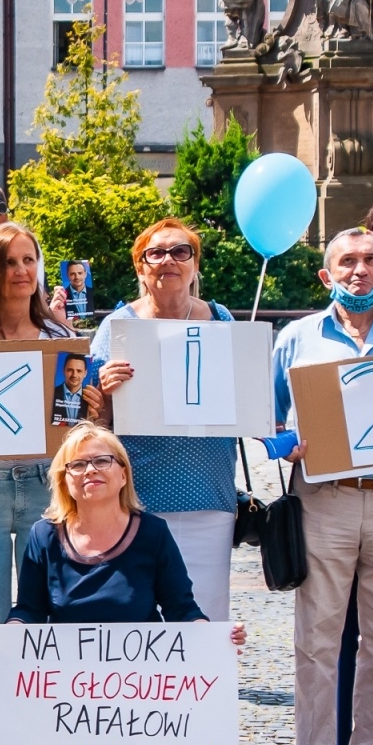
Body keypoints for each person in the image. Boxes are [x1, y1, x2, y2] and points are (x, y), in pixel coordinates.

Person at [0, 425, 245, 745]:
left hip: (138, 700)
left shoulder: (152, 532)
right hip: (67, 697)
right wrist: (4, 639)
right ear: (63, 479)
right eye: (76, 465)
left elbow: (180, 606)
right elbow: (29, 608)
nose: (90, 471)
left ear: (123, 473)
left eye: (102, 460)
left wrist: (213, 637)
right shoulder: (45, 536)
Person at [0, 223, 96, 633]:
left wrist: (91, 409)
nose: (22, 270)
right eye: (10, 262)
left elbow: (69, 422)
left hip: (47, 480)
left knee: (45, 618)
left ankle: (39, 681)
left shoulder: (59, 336)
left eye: (29, 260)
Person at [271, 226, 373, 745]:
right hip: (325, 495)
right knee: (318, 635)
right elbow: (265, 416)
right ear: (326, 274)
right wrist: (286, 443)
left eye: (371, 260)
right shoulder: (297, 338)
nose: (360, 270)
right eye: (348, 262)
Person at [91, 219, 238, 623]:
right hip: (134, 497)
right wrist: (104, 390)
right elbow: (94, 423)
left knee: (205, 613)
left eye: (180, 251)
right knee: (134, 613)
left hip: (208, 493)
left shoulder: (222, 320)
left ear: (194, 265)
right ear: (140, 268)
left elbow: (245, 399)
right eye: (155, 253)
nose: (168, 260)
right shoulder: (117, 328)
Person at [51, 356, 90, 426]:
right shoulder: (50, 395)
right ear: (64, 370)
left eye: (79, 371)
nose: (74, 375)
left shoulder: (90, 399)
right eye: (70, 370)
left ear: (85, 373)